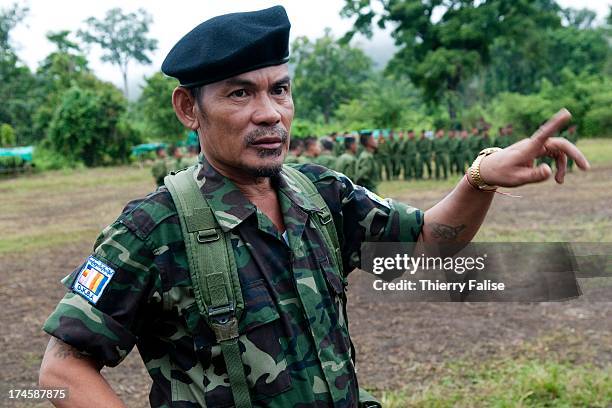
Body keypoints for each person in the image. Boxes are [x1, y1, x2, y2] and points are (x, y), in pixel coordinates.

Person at [38, 5, 589, 408]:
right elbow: (62, 370)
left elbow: (425, 244)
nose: (270, 113)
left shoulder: (321, 194)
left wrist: (479, 178)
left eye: (279, 89)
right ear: (188, 108)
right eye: (239, 93)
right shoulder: (150, 229)